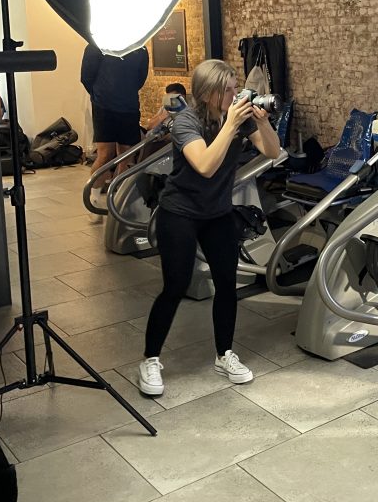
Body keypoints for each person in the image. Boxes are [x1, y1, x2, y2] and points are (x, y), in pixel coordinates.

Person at [138, 59, 281, 396]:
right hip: (179, 213)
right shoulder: (186, 121)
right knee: (175, 286)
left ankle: (224, 354)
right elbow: (204, 165)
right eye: (228, 90)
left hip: (217, 213)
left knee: (226, 284)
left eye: (235, 87)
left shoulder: (237, 118)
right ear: (207, 94)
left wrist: (262, 122)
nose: (236, 94)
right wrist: (231, 125)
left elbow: (272, 151)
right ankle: (150, 359)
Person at [80, 44, 149, 195]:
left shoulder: (139, 47)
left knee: (127, 155)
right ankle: (94, 196)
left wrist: (126, 91)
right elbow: (86, 77)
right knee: (105, 155)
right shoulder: (97, 45)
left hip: (129, 106)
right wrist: (101, 93)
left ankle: (117, 194)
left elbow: (141, 77)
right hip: (104, 106)